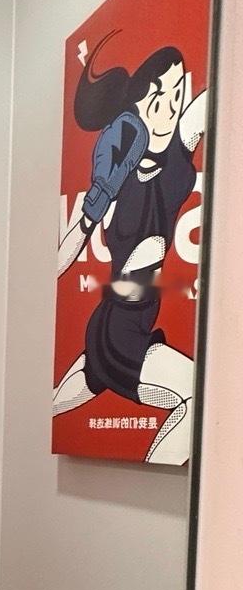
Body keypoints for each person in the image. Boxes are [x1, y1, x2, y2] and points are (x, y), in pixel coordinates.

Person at [53, 31, 207, 463]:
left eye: (176, 93)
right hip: (119, 331)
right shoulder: (116, 178)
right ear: (136, 105)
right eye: (157, 97)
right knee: (193, 395)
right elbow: (73, 241)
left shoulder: (177, 159)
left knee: (55, 403)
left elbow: (204, 108)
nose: (169, 107)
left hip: (121, 324)